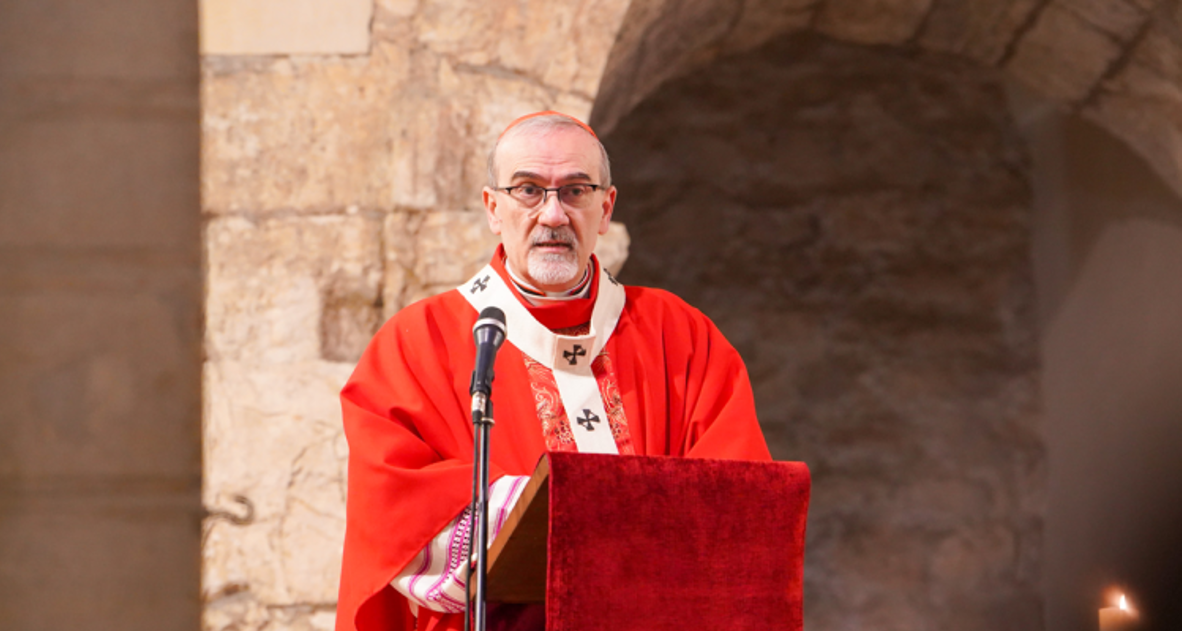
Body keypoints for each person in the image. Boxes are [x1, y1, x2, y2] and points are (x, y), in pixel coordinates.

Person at [335, 112, 771, 631]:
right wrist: (559, 512)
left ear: (606, 208)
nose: (553, 215)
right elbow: (392, 512)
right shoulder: (419, 344)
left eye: (575, 191)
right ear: (492, 207)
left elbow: (744, 507)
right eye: (528, 190)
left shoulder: (680, 337)